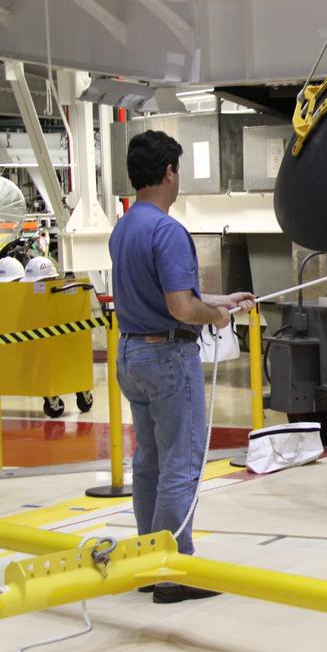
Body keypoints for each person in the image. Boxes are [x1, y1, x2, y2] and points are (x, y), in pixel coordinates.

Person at [109, 130, 255, 604]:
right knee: (181, 464)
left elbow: (160, 296)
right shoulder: (167, 230)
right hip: (169, 358)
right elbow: (178, 307)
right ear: (170, 172)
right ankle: (175, 570)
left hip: (131, 354)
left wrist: (219, 299)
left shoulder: (126, 227)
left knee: (149, 462)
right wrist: (213, 316)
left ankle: (149, 562)